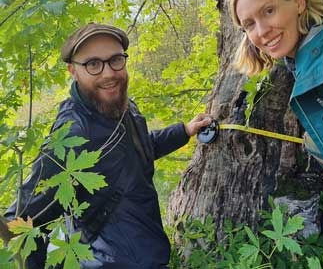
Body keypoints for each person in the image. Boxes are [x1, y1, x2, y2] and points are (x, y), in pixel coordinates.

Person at [5, 23, 213, 268]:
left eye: (115, 59)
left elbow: (139, 151)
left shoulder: (120, 105)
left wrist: (183, 132)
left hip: (148, 253)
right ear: (73, 71)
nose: (108, 73)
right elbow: (23, 222)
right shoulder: (72, 133)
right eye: (93, 64)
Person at [228, 0, 323, 268]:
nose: (261, 32)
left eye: (269, 11)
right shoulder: (307, 55)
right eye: (249, 24)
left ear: (298, 3)